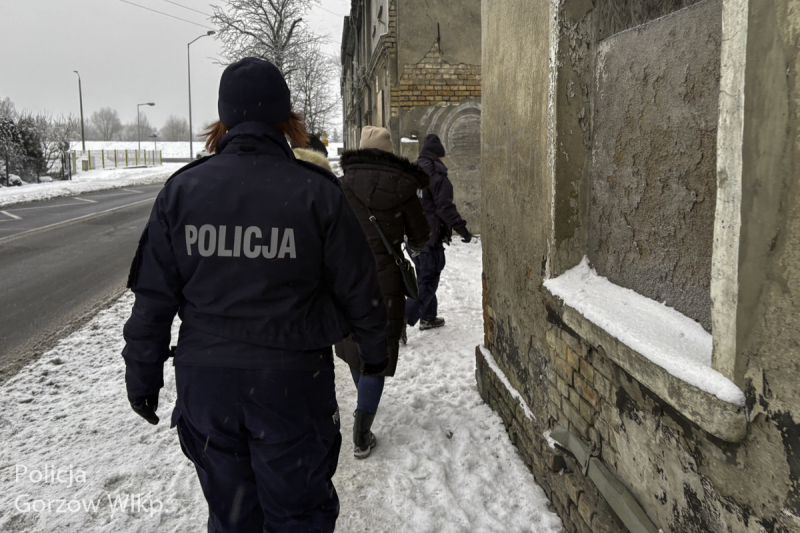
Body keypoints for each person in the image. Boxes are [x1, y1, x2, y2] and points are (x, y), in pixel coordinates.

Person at [122, 57, 388, 533]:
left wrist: (142, 374)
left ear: (223, 119)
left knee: (233, 516)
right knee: (298, 516)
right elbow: (359, 286)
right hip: (290, 385)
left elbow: (153, 299)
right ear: (286, 117)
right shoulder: (316, 192)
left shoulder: (183, 192)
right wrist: (373, 352)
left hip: (208, 386)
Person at [335, 126, 430, 458]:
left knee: (353, 344)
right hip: (386, 281)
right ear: (390, 153)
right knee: (378, 352)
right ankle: (362, 432)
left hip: (347, 278)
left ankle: (364, 403)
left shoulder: (341, 185)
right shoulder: (404, 188)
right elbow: (420, 237)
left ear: (360, 150)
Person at [406, 133, 472, 333]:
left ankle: (428, 317)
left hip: (411, 236)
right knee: (429, 280)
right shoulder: (436, 174)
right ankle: (402, 320)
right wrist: (462, 229)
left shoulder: (411, 171)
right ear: (439, 154)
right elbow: (445, 207)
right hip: (429, 237)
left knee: (423, 276)